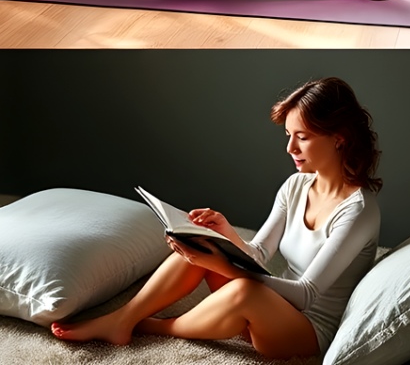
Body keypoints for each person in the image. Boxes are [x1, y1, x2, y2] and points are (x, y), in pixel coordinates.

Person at [51, 77, 382, 359]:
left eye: (303, 137)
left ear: (339, 138)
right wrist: (224, 234)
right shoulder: (296, 185)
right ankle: (124, 320)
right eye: (288, 136)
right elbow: (259, 254)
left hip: (307, 329)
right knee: (199, 243)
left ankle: (154, 327)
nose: (290, 148)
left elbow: (307, 293)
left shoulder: (358, 211)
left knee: (243, 291)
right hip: (276, 305)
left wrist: (224, 267)